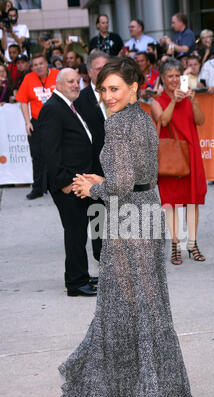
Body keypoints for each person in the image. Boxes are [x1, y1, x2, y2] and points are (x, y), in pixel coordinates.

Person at [57, 56, 205, 397]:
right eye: (103, 90)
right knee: (149, 309)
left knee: (122, 312)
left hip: (128, 222)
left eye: (114, 89)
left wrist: (94, 189)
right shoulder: (141, 117)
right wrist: (104, 180)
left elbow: (121, 183)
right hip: (149, 213)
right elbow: (137, 176)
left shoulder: (119, 124)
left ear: (135, 87)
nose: (107, 97)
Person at [38, 68, 98, 297]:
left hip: (79, 181)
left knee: (78, 231)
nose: (76, 85)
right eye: (70, 81)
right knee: (74, 232)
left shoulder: (68, 106)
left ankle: (80, 274)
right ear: (58, 84)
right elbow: (50, 151)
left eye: (77, 81)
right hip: (68, 183)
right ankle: (75, 283)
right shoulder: (53, 109)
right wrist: (64, 182)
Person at [151, 58, 207, 264]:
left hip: (191, 154)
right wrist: (174, 100)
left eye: (177, 75)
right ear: (163, 79)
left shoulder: (189, 97)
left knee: (193, 200)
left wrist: (193, 101)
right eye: (170, 76)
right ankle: (175, 244)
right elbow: (163, 121)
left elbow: (200, 120)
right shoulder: (157, 101)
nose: (174, 80)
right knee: (171, 201)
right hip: (170, 159)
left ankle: (192, 243)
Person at [74, 50, 109, 262]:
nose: (104, 71)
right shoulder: (80, 100)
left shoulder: (119, 94)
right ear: (89, 72)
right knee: (98, 212)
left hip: (118, 166)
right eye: (98, 68)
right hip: (93, 166)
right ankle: (101, 254)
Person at [15, 53, 59, 199]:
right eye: (35, 65)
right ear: (32, 67)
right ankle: (38, 188)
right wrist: (27, 122)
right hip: (37, 122)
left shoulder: (58, 75)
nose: (38, 67)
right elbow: (23, 101)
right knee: (37, 155)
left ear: (47, 63)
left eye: (41, 63)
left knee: (58, 154)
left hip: (56, 122)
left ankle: (58, 185)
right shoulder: (28, 78)